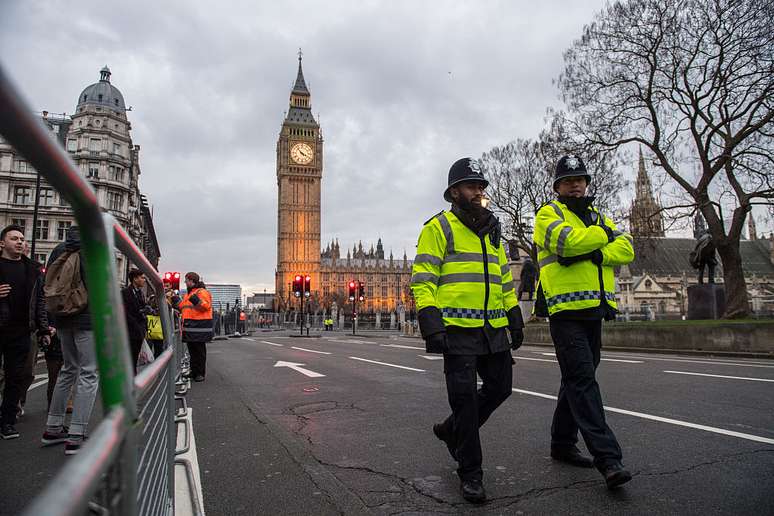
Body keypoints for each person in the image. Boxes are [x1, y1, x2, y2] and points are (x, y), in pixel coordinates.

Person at [411, 158, 524, 504]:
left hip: (492, 329)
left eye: (481, 186)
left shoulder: (492, 230)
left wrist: (514, 314)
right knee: (465, 403)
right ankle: (470, 474)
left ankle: (450, 430)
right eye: (473, 186)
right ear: (454, 191)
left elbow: (504, 278)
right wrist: (432, 324)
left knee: (500, 388)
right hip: (457, 329)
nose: (479, 191)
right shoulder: (438, 228)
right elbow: (423, 280)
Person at [533, 155, 635, 489]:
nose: (576, 183)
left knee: (577, 378)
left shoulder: (597, 217)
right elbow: (567, 242)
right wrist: (602, 236)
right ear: (557, 186)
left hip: (595, 309)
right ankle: (609, 459)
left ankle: (562, 443)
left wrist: (598, 252)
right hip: (564, 311)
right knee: (582, 381)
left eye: (581, 178)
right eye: (569, 180)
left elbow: (627, 248)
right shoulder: (548, 214)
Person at [40, 226, 99, 455]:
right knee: (89, 373)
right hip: (87, 318)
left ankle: (53, 427)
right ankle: (77, 433)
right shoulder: (93, 250)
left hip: (63, 317)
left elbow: (48, 282)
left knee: (68, 369)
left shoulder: (58, 249)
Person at [0, 225, 49, 439]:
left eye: (21, 239)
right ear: (2, 243)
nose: (19, 242)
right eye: (13, 238)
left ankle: (7, 422)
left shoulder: (32, 269)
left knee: (15, 378)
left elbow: (39, 301)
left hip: (21, 331)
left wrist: (43, 328)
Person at [171, 272, 212, 382]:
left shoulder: (201, 292)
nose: (185, 282)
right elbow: (183, 307)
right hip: (190, 326)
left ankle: (200, 373)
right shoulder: (189, 294)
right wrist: (175, 300)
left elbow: (206, 306)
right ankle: (194, 371)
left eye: (186, 280)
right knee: (192, 351)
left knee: (199, 351)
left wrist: (195, 299)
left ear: (192, 281)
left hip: (199, 326)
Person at [122, 269, 149, 373]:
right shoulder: (125, 293)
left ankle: (132, 377)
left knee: (134, 355)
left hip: (139, 331)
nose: (144, 280)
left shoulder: (140, 293)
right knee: (129, 356)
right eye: (142, 277)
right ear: (135, 279)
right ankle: (130, 378)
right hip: (130, 330)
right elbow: (125, 312)